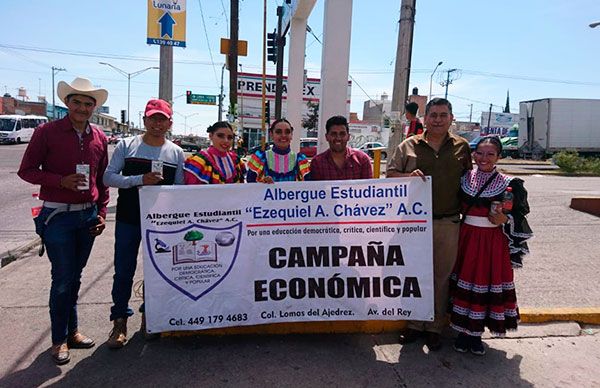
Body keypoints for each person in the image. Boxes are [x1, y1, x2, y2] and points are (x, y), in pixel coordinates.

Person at [18, 77, 110, 365]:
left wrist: (103, 213)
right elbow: (27, 170)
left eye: (87, 103)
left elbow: (102, 180)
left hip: (88, 216)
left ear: (94, 107)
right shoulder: (47, 132)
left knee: (74, 277)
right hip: (57, 216)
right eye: (77, 102)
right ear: (67, 103)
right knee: (62, 279)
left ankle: (73, 332)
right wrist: (60, 180)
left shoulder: (99, 137)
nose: (82, 108)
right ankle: (59, 340)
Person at [386, 98, 471, 351]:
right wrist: (407, 177)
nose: (437, 119)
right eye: (433, 114)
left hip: (447, 222)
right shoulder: (408, 146)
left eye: (443, 115)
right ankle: (413, 323)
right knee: (413, 273)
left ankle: (434, 327)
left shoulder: (462, 147)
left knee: (440, 277)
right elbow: (390, 176)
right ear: (424, 118)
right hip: (413, 224)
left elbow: (470, 181)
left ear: (451, 117)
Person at [104, 99, 185, 349]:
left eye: (163, 119)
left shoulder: (175, 152)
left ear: (170, 123)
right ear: (144, 120)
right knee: (123, 270)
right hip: (129, 219)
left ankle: (150, 316)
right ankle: (119, 321)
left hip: (160, 223)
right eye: (153, 118)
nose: (157, 124)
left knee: (158, 271)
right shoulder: (126, 146)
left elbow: (180, 189)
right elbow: (108, 177)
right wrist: (139, 180)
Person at [450, 136, 532, 355]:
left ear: (498, 156)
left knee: (484, 282)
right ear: (473, 154)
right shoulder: (464, 177)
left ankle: (475, 335)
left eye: (490, 154)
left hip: (491, 242)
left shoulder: (509, 183)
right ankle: (462, 332)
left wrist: (504, 220)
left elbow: (518, 216)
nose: (483, 158)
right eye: (479, 153)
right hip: (466, 237)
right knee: (465, 280)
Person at [310, 115, 373, 181]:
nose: (338, 138)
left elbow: (369, 188)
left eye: (342, 134)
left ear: (348, 136)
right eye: (334, 134)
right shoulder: (317, 162)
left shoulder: (362, 160)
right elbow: (315, 189)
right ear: (327, 137)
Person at [246, 118, 310, 183]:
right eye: (278, 132)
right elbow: (250, 186)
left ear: (291, 135)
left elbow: (309, 187)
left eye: (287, 132)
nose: (283, 135)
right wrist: (262, 183)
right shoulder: (259, 159)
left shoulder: (301, 160)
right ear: (271, 134)